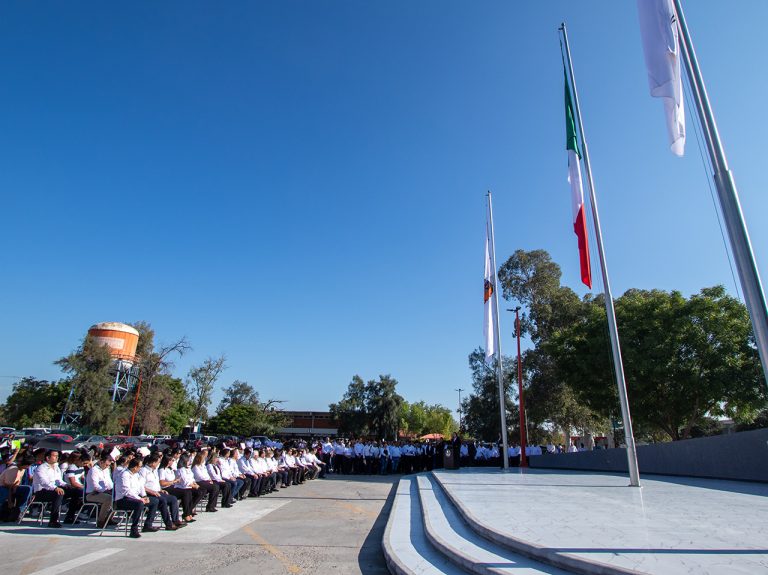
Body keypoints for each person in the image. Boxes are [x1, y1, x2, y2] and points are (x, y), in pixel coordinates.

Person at [32, 450, 81, 527]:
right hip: (42, 491)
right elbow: (44, 482)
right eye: (55, 456)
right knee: (58, 494)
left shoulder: (56, 467)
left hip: (55, 489)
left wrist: (66, 485)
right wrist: (55, 488)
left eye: (57, 456)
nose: (57, 457)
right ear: (48, 458)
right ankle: (53, 521)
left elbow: (59, 481)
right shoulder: (41, 468)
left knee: (76, 491)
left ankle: (70, 517)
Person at [140, 453, 185, 530]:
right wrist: (152, 492)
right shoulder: (143, 471)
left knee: (173, 499)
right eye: (158, 462)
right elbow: (141, 486)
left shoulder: (154, 471)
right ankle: (168, 524)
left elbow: (155, 484)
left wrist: (161, 490)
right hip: (149, 493)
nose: (158, 464)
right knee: (162, 501)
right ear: (153, 462)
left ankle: (175, 520)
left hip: (157, 492)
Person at [115, 458, 155, 538]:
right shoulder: (124, 474)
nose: (140, 468)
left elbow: (141, 486)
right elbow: (127, 491)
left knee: (155, 501)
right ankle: (134, 529)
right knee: (139, 504)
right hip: (123, 499)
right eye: (139, 466)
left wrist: (144, 496)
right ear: (135, 467)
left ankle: (148, 525)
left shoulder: (136, 475)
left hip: (135, 498)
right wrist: (139, 499)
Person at [0, 455, 33, 522]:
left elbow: (17, 482)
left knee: (27, 489)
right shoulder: (13, 469)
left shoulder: (22, 469)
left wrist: (15, 490)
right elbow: (8, 486)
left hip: (13, 487)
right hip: (3, 487)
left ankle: (20, 510)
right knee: (5, 492)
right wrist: (10, 501)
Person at [85, 453, 115, 528]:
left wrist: (113, 490)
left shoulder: (106, 470)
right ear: (101, 462)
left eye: (108, 465)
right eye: (106, 465)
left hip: (103, 491)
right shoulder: (94, 470)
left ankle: (109, 518)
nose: (107, 467)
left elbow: (109, 483)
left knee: (117, 497)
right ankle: (100, 520)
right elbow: (96, 485)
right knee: (108, 499)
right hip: (92, 493)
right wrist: (105, 490)